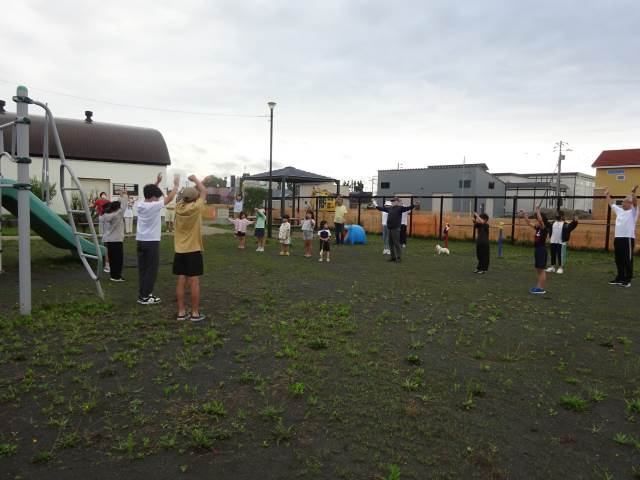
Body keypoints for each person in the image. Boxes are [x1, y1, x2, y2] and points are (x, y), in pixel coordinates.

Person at [136, 172, 179, 305]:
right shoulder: (154, 205)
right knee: (151, 269)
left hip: (140, 241)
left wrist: (156, 183)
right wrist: (176, 184)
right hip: (151, 242)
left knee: (143, 269)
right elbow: (170, 197)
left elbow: (149, 194)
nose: (157, 199)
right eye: (156, 197)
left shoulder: (140, 204)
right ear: (153, 197)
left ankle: (142, 294)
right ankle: (146, 296)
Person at [173, 175, 207, 321]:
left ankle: (181, 312)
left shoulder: (178, 207)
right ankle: (195, 313)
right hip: (193, 250)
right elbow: (203, 191)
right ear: (194, 198)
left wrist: (178, 184)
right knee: (194, 281)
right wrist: (196, 179)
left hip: (179, 250)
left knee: (181, 279)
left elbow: (187, 195)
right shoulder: (196, 207)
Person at [606, 185, 638, 287]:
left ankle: (627, 280)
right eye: (623, 201)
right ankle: (619, 278)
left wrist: (633, 192)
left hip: (628, 239)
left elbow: (635, 202)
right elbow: (611, 203)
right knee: (618, 259)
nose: (622, 203)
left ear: (630, 203)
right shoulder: (619, 211)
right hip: (618, 238)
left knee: (627, 259)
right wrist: (607, 194)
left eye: (624, 201)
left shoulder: (633, 212)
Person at [519, 206, 552, 294]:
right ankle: (538, 286)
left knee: (541, 270)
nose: (536, 222)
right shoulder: (538, 228)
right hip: (538, 250)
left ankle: (541, 289)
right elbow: (529, 222)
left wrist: (538, 211)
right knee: (539, 270)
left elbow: (541, 221)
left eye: (536, 220)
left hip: (542, 250)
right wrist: (524, 214)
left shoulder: (544, 228)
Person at [374, 197, 415, 263]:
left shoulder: (400, 208)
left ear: (397, 202)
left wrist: (414, 205)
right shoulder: (390, 208)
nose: (392, 202)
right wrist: (376, 206)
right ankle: (392, 257)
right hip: (390, 228)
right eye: (392, 201)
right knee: (390, 244)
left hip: (395, 229)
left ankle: (398, 258)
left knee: (396, 243)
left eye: (394, 201)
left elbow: (408, 208)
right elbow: (382, 209)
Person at [102, 196, 125, 282]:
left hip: (110, 240)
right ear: (117, 208)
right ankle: (117, 277)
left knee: (112, 259)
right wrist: (123, 195)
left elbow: (121, 205)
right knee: (118, 259)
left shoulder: (107, 215)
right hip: (117, 240)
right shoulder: (118, 214)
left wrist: (120, 197)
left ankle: (113, 275)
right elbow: (124, 204)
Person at [92, 192, 111, 273]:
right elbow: (94, 206)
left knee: (106, 227)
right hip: (101, 215)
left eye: (104, 194)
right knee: (101, 227)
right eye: (103, 195)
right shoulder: (98, 201)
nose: (104, 196)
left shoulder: (108, 201)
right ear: (101, 196)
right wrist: (93, 206)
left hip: (106, 215)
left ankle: (104, 235)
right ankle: (101, 236)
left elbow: (111, 207)